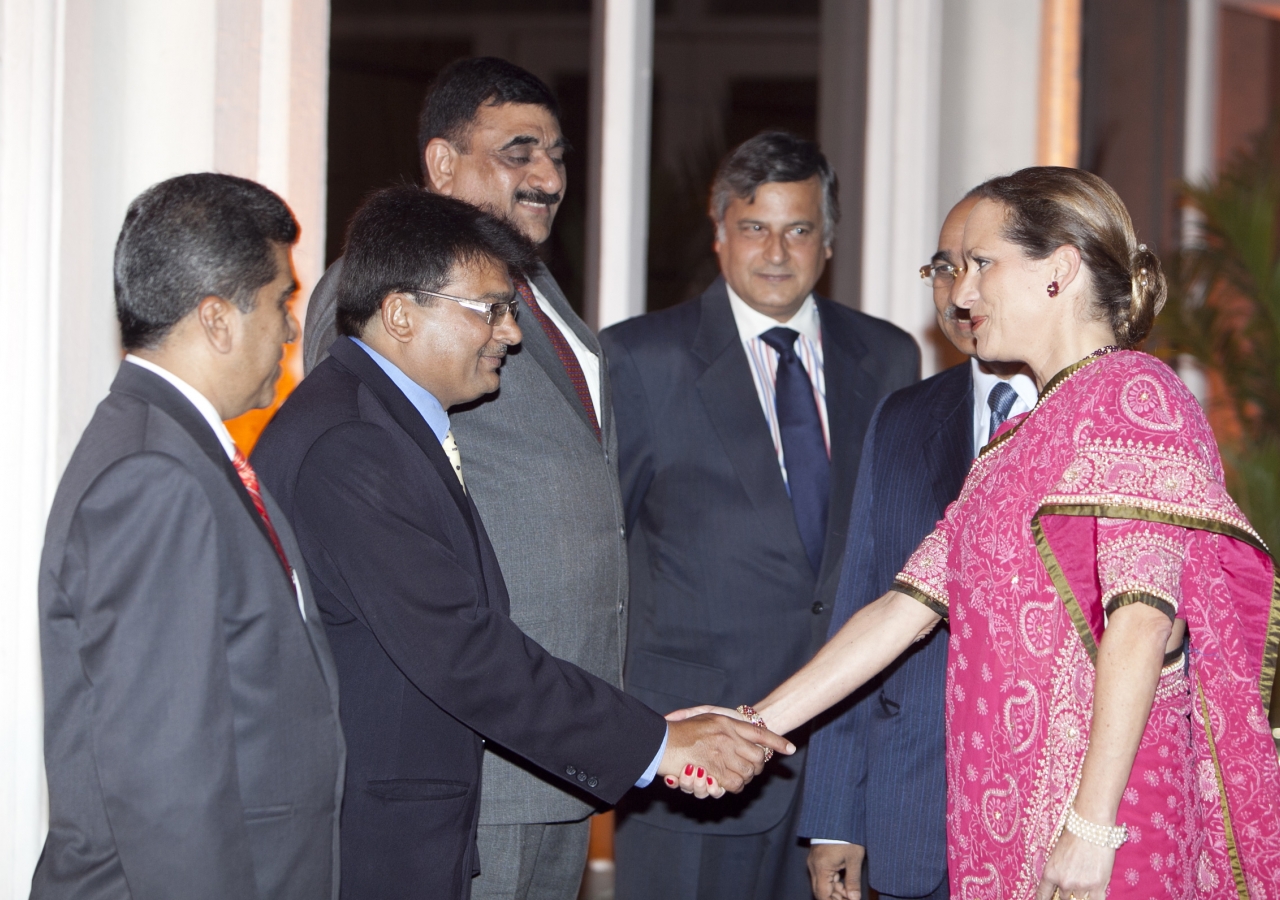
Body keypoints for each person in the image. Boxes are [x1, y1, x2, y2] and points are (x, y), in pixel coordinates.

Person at [680, 166, 1280, 899]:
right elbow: (901, 610)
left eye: (983, 265)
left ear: (1059, 268)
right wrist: (749, 725)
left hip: (1099, 819)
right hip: (1002, 814)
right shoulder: (1019, 442)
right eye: (957, 270)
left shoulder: (1132, 393)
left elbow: (1142, 621)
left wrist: (1091, 829)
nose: (961, 295)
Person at [253, 187, 793, 900]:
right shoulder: (351, 444)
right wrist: (657, 744)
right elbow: (462, 650)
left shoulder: (384, 423)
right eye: (490, 311)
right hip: (377, 842)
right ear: (400, 314)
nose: (509, 335)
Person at [302, 56, 637, 900]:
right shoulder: (383, 291)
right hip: (480, 739)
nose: (549, 176)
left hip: (563, 737)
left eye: (558, 154)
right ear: (442, 163)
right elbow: (369, 488)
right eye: (518, 151)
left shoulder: (537, 290)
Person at [600, 132, 920, 900]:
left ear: (829, 241)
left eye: (799, 228)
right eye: (754, 227)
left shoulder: (888, 359)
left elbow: (893, 563)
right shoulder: (637, 361)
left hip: (840, 764)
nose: (776, 251)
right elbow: (599, 553)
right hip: (694, 767)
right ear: (719, 234)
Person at [33, 173, 345, 900]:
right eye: (281, 301)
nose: (293, 329)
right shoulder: (153, 475)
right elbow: (165, 783)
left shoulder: (184, 450)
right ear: (216, 319)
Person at [800, 192, 1036, 900]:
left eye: (980, 264)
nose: (960, 290)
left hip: (1052, 822)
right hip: (914, 816)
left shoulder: (1094, 415)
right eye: (943, 267)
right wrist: (835, 816)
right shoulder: (902, 417)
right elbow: (863, 603)